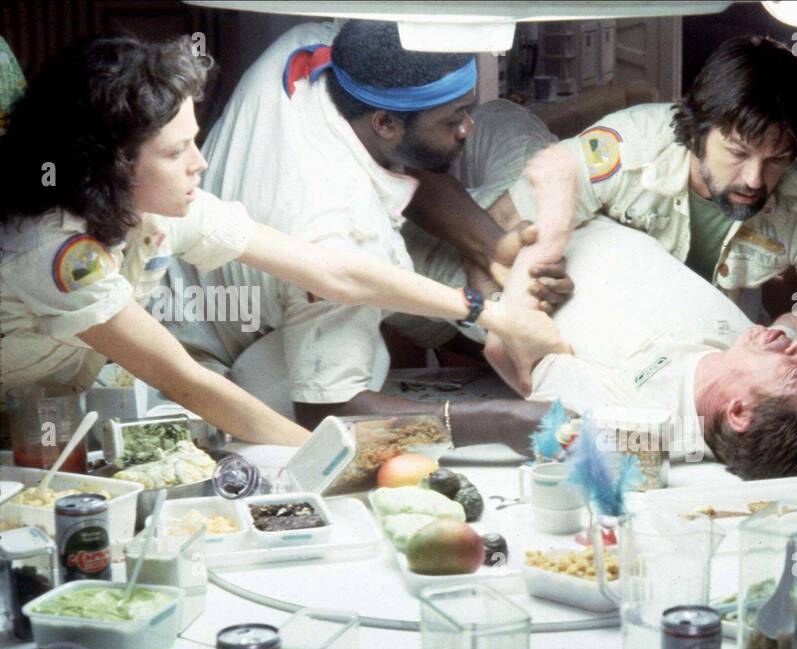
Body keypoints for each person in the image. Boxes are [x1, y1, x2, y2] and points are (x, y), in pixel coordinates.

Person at [0, 37, 566, 453]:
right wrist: (324, 459)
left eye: (194, 141)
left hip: (57, 392)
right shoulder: (55, 254)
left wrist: (490, 312)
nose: (201, 163)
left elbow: (332, 272)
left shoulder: (152, 203)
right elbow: (187, 381)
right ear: (110, 164)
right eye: (176, 153)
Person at [486, 35, 797, 469]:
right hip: (518, 197)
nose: (755, 179)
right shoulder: (634, 145)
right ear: (696, 132)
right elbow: (497, 237)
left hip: (595, 326)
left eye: (777, 159)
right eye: (737, 152)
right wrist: (549, 243)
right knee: (491, 127)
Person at [165, 19, 568, 437]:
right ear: (385, 124)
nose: (469, 127)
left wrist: (489, 246)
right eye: (454, 119)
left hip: (194, 284)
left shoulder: (313, 49)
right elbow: (328, 410)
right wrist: (495, 421)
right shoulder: (344, 229)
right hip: (208, 361)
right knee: (365, 356)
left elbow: (399, 160)